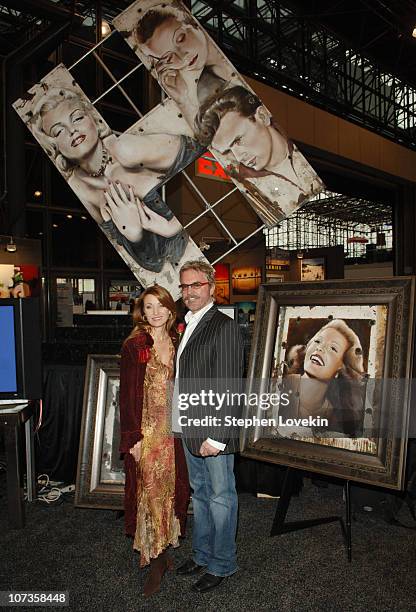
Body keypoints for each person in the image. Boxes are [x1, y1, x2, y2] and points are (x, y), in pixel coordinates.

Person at [29, 85, 203, 274]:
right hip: (181, 269)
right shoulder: (83, 191)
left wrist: (172, 226)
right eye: (58, 131)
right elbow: (153, 263)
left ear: (94, 120)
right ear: (54, 146)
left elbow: (203, 164)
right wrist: (135, 236)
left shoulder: (127, 149)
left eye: (77, 118)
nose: (72, 130)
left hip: (203, 241)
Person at [173, 260, 244, 593]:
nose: (189, 292)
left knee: (220, 498)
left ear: (211, 288)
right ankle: (202, 555)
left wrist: (217, 437)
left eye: (196, 285)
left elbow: (231, 386)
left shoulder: (223, 325)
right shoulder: (188, 323)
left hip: (213, 431)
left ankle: (222, 563)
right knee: (200, 496)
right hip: (190, 428)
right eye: (184, 286)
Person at [119, 285, 189, 597]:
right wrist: (132, 439)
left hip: (174, 434)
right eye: (149, 307)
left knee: (172, 493)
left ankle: (164, 548)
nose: (155, 312)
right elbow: (127, 397)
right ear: (142, 311)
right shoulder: (135, 346)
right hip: (147, 434)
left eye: (160, 306)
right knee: (149, 495)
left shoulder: (178, 340)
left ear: (170, 309)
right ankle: (157, 561)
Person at [195, 85, 324, 223]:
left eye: (238, 140)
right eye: (228, 150)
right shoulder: (250, 190)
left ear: (262, 116)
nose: (238, 157)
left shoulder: (309, 140)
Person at [132, 3, 236, 124]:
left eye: (181, 39)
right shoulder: (206, 89)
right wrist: (182, 101)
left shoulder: (231, 66)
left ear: (192, 25)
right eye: (168, 57)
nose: (182, 56)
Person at [281, 319, 366, 436]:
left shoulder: (335, 418)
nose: (320, 348)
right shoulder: (279, 386)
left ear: (341, 368)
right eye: (317, 341)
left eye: (333, 348)